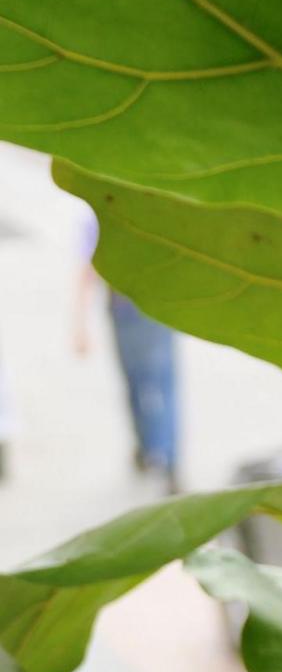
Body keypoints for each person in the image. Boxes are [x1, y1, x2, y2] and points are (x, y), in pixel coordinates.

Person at [69, 197, 178, 491]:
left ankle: (161, 452)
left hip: (146, 308)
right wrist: (80, 325)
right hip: (135, 308)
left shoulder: (132, 207)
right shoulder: (106, 212)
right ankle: (157, 451)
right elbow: (89, 266)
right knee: (146, 382)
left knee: (151, 381)